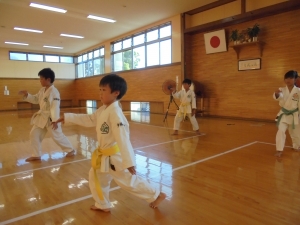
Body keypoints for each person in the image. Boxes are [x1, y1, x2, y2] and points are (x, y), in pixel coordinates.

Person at [53, 74, 166, 212]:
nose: (100, 93)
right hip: (104, 155)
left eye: (103, 90)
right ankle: (102, 204)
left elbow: (123, 138)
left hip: (115, 156)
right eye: (99, 90)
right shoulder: (104, 109)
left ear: (116, 93)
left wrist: (129, 161)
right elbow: (89, 119)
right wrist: (67, 117)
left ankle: (156, 194)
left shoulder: (116, 113)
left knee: (128, 181)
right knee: (96, 178)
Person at [18, 68, 75, 161]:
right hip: (42, 117)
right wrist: (27, 95)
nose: (40, 81)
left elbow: (55, 107)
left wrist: (55, 121)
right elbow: (36, 99)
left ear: (48, 79)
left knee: (57, 136)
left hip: (51, 118)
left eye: (41, 79)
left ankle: (70, 150)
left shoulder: (54, 92)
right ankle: (36, 154)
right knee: (34, 134)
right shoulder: (42, 90)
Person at [273, 70, 300, 157]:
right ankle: (279, 150)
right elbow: (278, 98)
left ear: (295, 79)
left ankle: (296, 146)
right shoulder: (281, 89)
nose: (288, 80)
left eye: (291, 78)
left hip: (294, 115)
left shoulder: (298, 91)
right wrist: (277, 94)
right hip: (284, 114)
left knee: (295, 133)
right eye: (286, 78)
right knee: (280, 131)